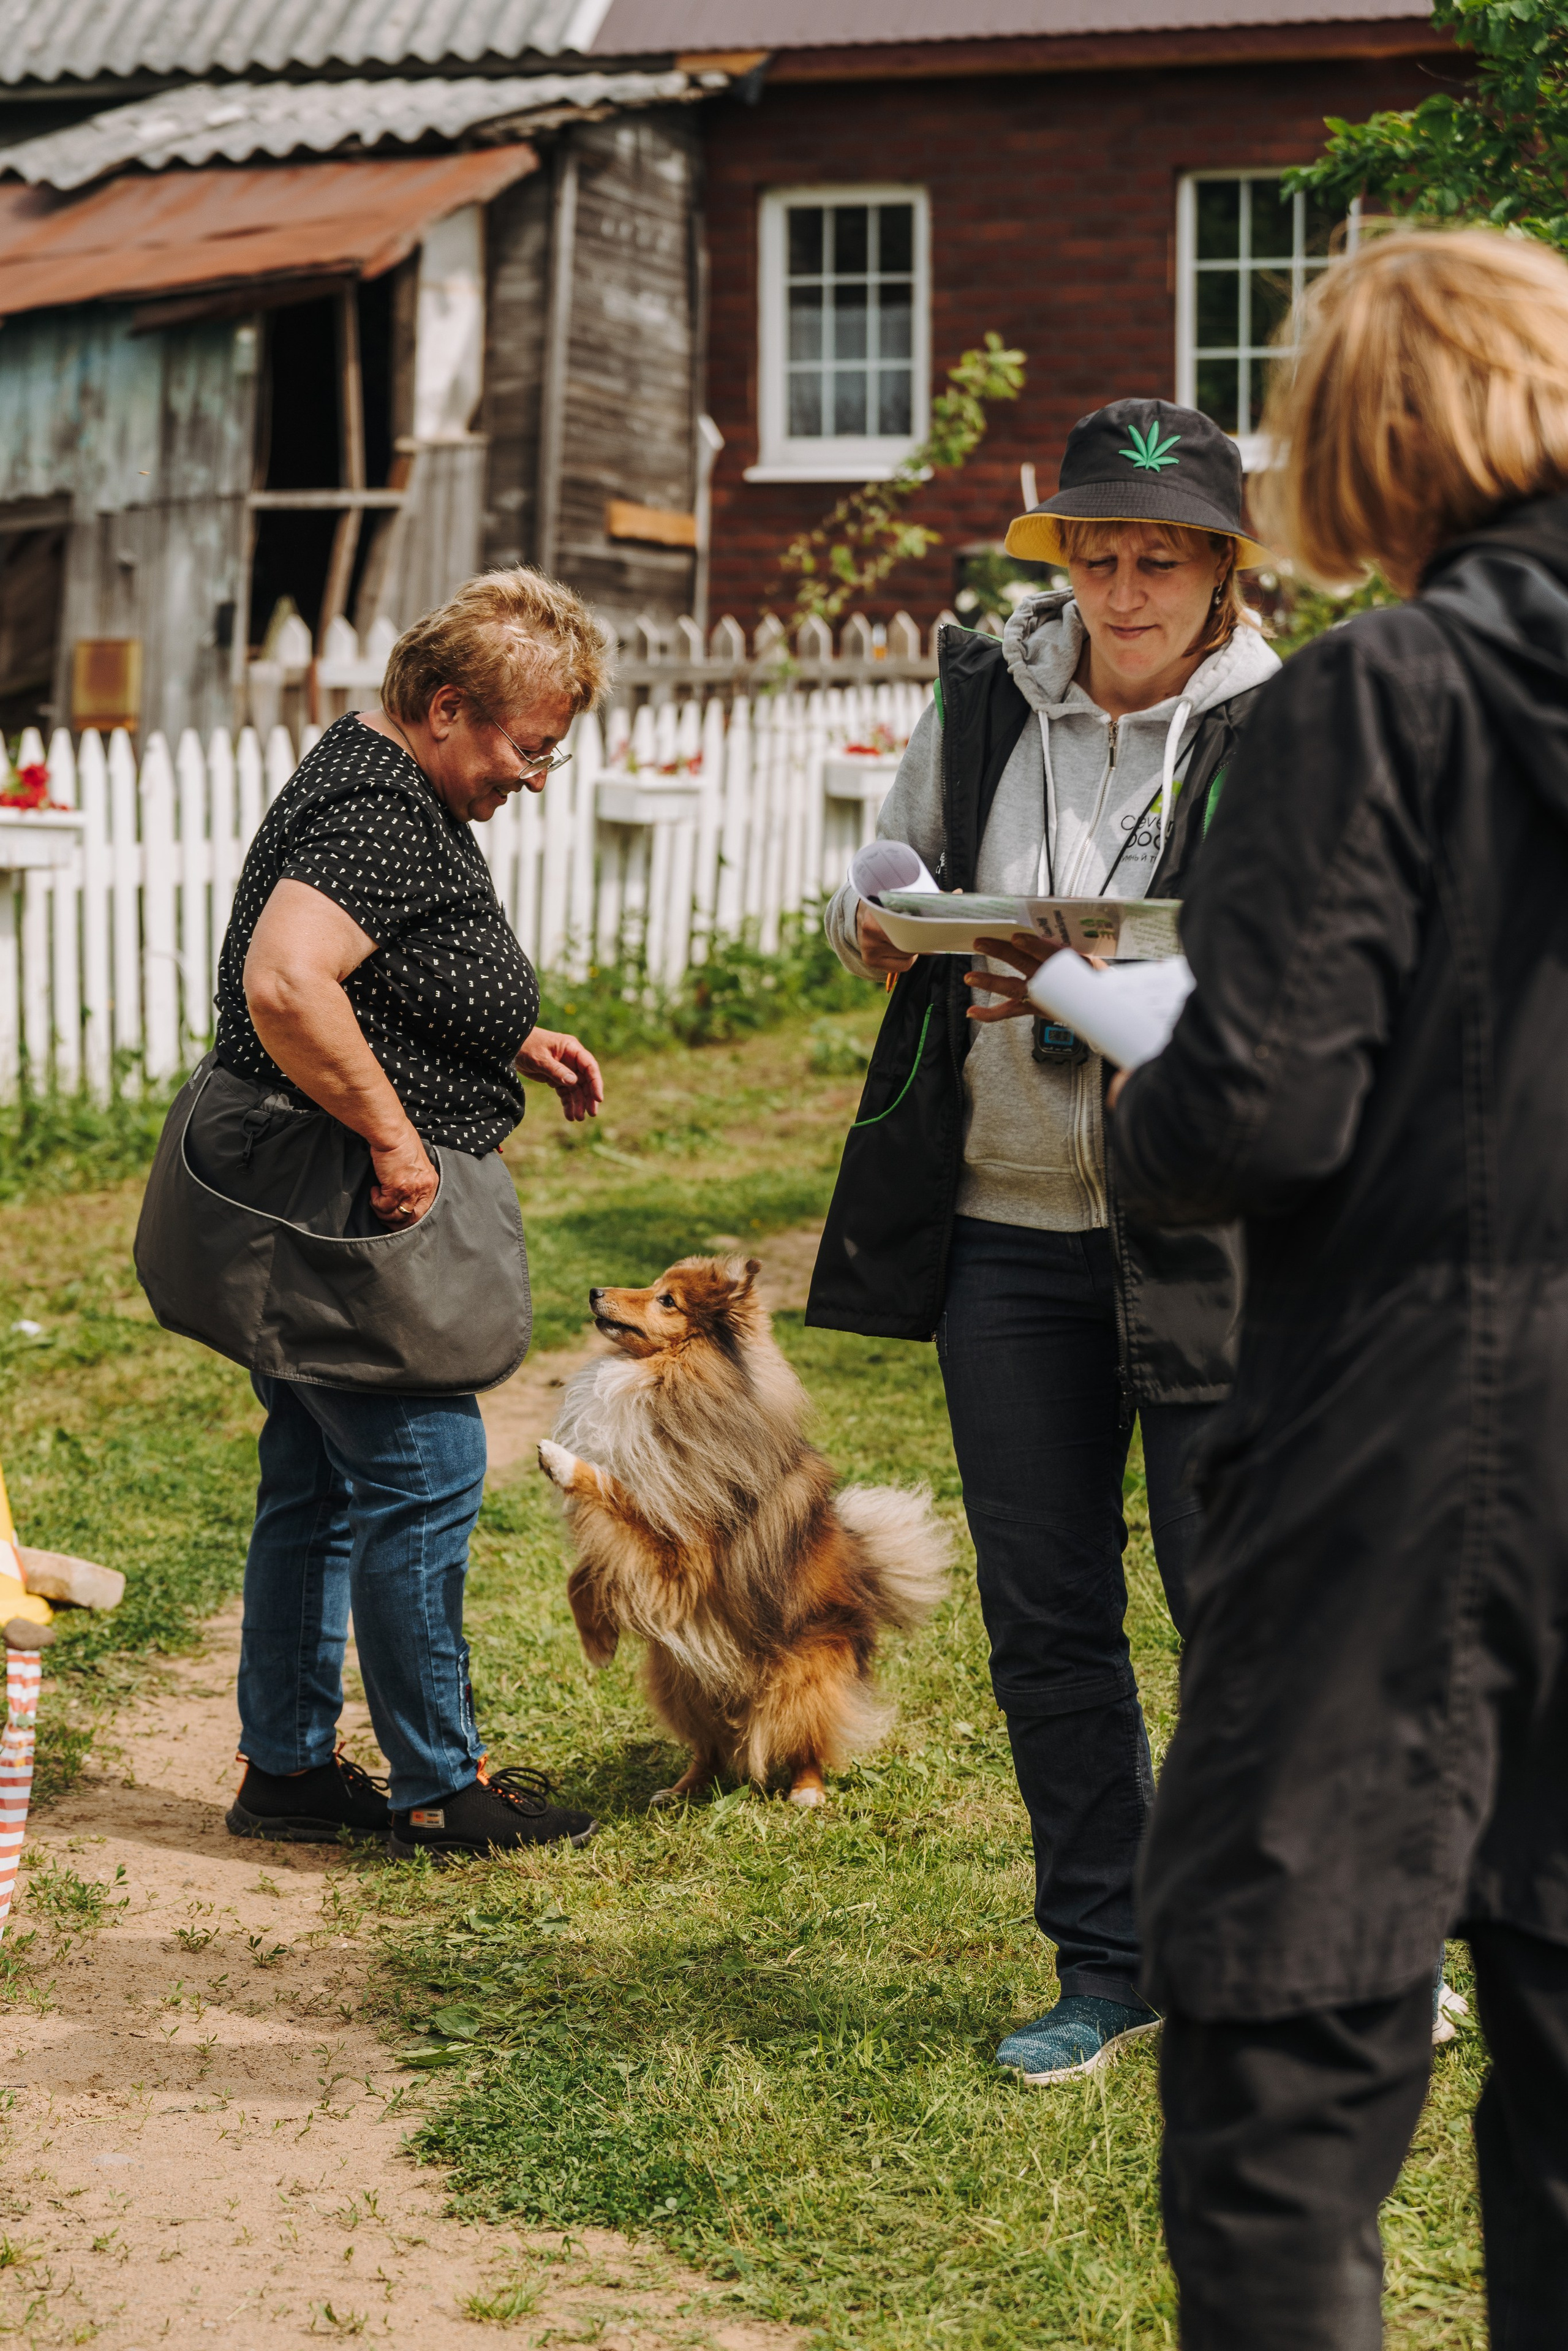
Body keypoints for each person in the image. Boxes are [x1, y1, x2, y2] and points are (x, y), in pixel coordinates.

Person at [1109, 228, 1568, 2346]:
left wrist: (1152, 1078)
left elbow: (1261, 1113)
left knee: (1294, 2034)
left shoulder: (1378, 696)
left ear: (1366, 444)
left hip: (1414, 1419)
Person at [809, 401, 1281, 2081]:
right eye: (1097, 553)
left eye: (1161, 556)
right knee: (1050, 1610)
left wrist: (1106, 982)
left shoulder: (1286, 725)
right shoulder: (990, 693)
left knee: (1248, 1604)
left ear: (1224, 567)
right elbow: (893, 867)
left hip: (1216, 1220)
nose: (1124, 586)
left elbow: (1308, 981)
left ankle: (1302, 1946)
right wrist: (875, 917)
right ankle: (1108, 1955)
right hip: (1005, 1223)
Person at [138, 569, 610, 1863]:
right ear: (447, 708)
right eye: (529, 745)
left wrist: (507, 1032)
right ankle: (434, 1782)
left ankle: (289, 1767)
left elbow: (379, 962)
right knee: (420, 1466)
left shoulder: (373, 776)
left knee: (316, 1471)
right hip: (337, 1186)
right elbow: (289, 981)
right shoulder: (380, 810)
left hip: (297, 1176)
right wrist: (397, 1134)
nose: (534, 774)